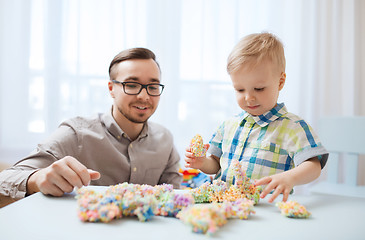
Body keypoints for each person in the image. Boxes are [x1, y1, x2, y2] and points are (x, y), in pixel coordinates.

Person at [0, 48, 182, 200]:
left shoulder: (164, 139)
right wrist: (37, 178)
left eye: (153, 87)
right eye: (132, 85)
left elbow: (174, 196)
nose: (144, 96)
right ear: (111, 88)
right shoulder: (76, 134)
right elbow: (5, 179)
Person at [185, 33, 328, 203]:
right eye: (240, 90)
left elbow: (313, 166)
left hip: (266, 209)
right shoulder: (229, 125)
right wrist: (202, 163)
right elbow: (215, 164)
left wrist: (289, 178)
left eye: (259, 89)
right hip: (223, 205)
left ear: (280, 81)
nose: (249, 98)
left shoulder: (293, 127)